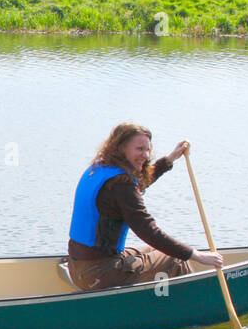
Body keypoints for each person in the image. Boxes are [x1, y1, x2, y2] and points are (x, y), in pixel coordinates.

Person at [66, 123, 223, 292]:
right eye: (140, 149)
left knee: (158, 250)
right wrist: (196, 255)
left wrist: (169, 159)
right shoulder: (121, 184)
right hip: (98, 273)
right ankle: (195, 303)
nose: (146, 155)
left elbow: (138, 185)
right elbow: (148, 230)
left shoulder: (100, 169)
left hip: (78, 267)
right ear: (121, 148)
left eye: (148, 150)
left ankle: (166, 296)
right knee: (175, 258)